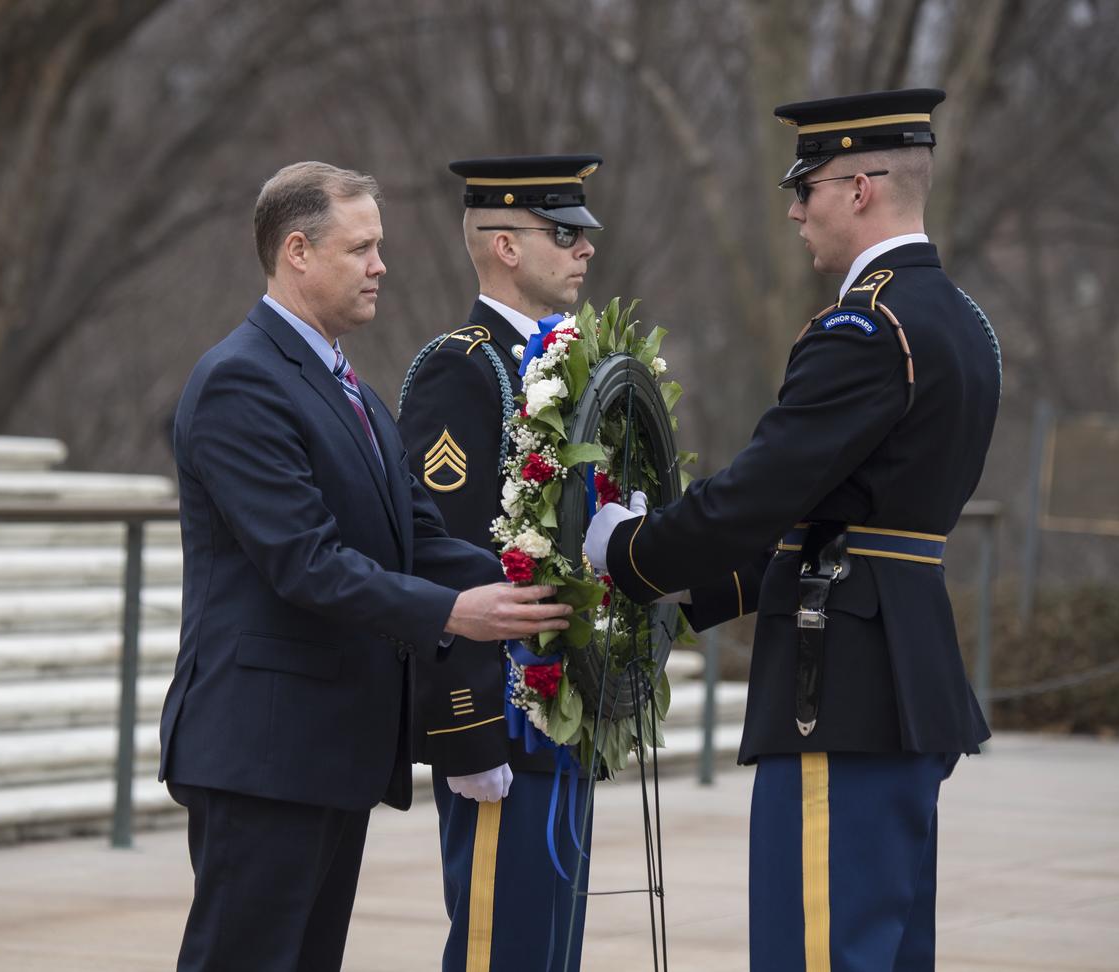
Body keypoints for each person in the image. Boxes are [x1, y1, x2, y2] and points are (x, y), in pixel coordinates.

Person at [584, 89, 1000, 971]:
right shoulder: (964, 324)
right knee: (883, 949)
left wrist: (629, 553)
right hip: (904, 674)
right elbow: (849, 515)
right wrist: (693, 596)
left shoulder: (867, 326)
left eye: (805, 188)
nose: (793, 209)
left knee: (815, 949)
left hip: (839, 685)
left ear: (859, 188)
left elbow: (758, 496)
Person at [159, 161, 572, 972]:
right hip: (263, 751)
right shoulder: (240, 381)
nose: (382, 265)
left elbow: (418, 538)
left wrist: (554, 579)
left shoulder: (348, 385)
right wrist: (456, 614)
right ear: (298, 251)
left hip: (328, 748)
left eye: (380, 246)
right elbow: (305, 563)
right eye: (363, 248)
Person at [396, 154, 603, 972]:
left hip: (567, 709)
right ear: (508, 246)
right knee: (498, 947)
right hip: (505, 720)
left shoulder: (574, 362)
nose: (586, 249)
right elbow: (443, 553)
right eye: (566, 234)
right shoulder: (463, 365)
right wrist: (467, 728)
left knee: (551, 948)